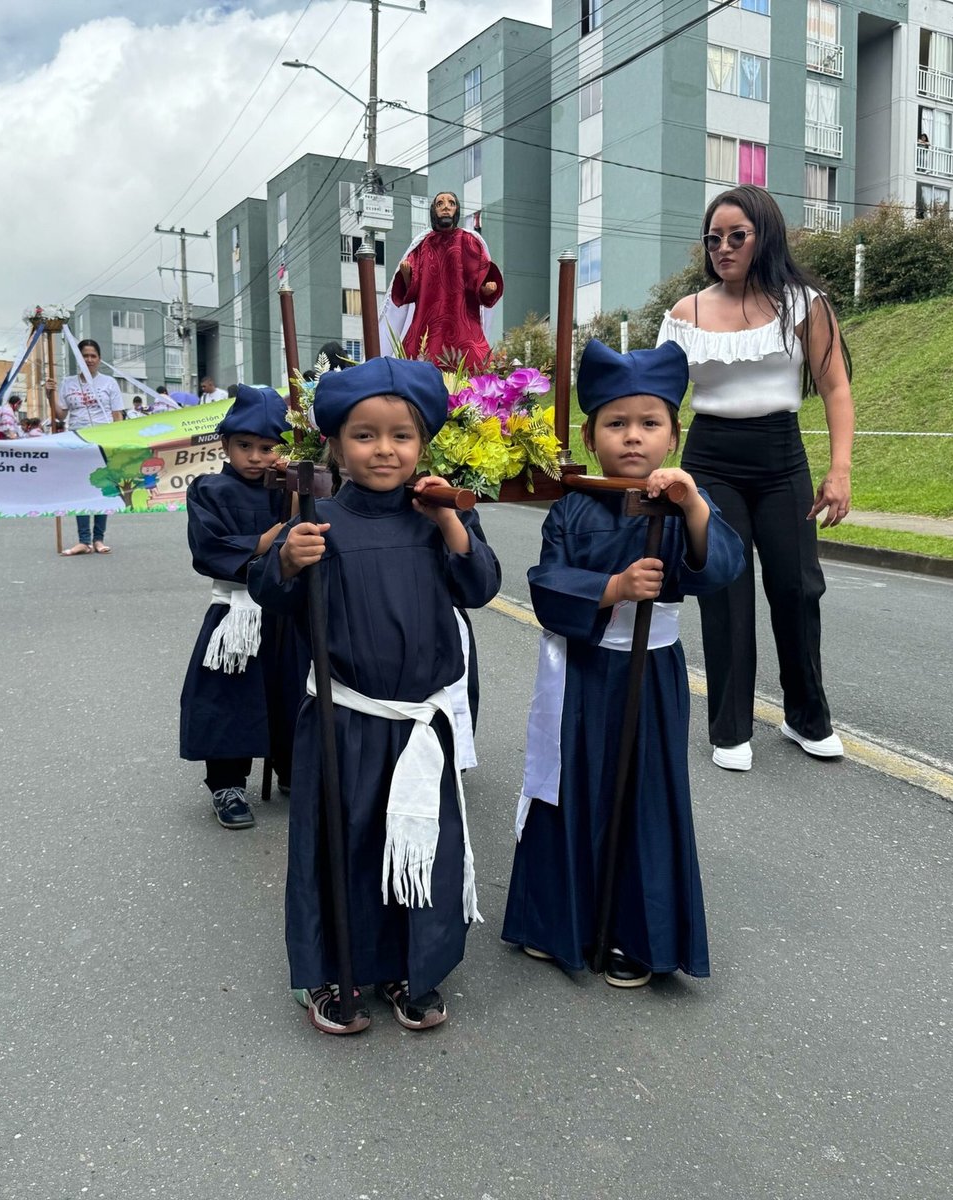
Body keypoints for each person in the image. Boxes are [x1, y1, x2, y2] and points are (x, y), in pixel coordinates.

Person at [249, 357, 500, 1036]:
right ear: (334, 443)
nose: (384, 449)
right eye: (364, 435)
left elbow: (479, 589)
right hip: (345, 721)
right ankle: (333, 972)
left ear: (423, 445)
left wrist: (451, 522)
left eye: (400, 435)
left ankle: (412, 971)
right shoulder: (318, 520)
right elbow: (269, 593)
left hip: (420, 725)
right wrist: (286, 560)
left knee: (423, 844)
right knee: (348, 845)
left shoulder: (436, 519)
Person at [501, 339, 745, 988]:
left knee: (644, 796)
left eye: (649, 423)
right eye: (616, 423)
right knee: (570, 787)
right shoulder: (575, 504)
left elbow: (720, 566)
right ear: (589, 431)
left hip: (654, 672)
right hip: (585, 672)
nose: (632, 438)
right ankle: (561, 922)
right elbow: (546, 585)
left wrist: (692, 504)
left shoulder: (680, 500)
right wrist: (610, 589)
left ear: (674, 432)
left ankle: (637, 936)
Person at [658, 184, 855, 773]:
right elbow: (661, 400)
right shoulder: (685, 313)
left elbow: (836, 388)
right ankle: (730, 727)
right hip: (710, 459)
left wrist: (839, 469)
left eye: (736, 235)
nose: (723, 247)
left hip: (781, 457)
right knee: (725, 591)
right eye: (713, 238)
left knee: (797, 587)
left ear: (764, 235)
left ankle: (807, 717)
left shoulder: (805, 304)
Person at [179, 385, 301, 830]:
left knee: (290, 690)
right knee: (229, 696)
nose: (255, 456)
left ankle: (294, 769)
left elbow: (302, 526)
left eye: (267, 447)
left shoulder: (283, 484)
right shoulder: (209, 489)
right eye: (244, 446)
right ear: (226, 445)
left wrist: (294, 487)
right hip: (235, 611)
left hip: (286, 611)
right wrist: (267, 541)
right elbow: (208, 548)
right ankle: (227, 784)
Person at [387, 192, 502, 371]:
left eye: (451, 203)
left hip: (463, 323)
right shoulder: (423, 246)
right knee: (414, 370)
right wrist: (407, 274)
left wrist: (486, 289)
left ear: (456, 210)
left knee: (476, 373)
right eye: (440, 204)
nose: (446, 206)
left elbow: (479, 276)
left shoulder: (469, 242)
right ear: (434, 211)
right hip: (427, 327)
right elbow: (412, 291)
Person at [45, 338, 125, 555]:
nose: (89, 360)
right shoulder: (68, 383)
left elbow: (117, 415)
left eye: (93, 356)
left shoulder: (109, 383)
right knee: (81, 489)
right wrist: (50, 395)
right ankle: (83, 541)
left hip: (103, 442)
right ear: (78, 359)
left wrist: (117, 443)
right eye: (85, 356)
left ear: (99, 359)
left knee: (102, 489)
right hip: (77, 442)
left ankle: (99, 539)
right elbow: (60, 415)